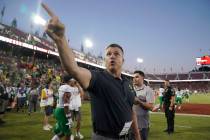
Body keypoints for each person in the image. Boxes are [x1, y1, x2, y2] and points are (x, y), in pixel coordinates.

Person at [42, 3, 141, 140]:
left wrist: (137, 135)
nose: (112, 56)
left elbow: (131, 111)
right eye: (108, 54)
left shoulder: (128, 84)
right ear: (104, 60)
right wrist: (61, 40)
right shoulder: (98, 78)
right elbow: (73, 68)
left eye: (116, 54)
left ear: (123, 60)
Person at [132, 71, 154, 140]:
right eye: (133, 77)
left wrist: (139, 101)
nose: (134, 79)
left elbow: (151, 107)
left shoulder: (148, 90)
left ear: (142, 78)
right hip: (130, 124)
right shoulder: (131, 89)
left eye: (137, 77)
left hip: (142, 125)